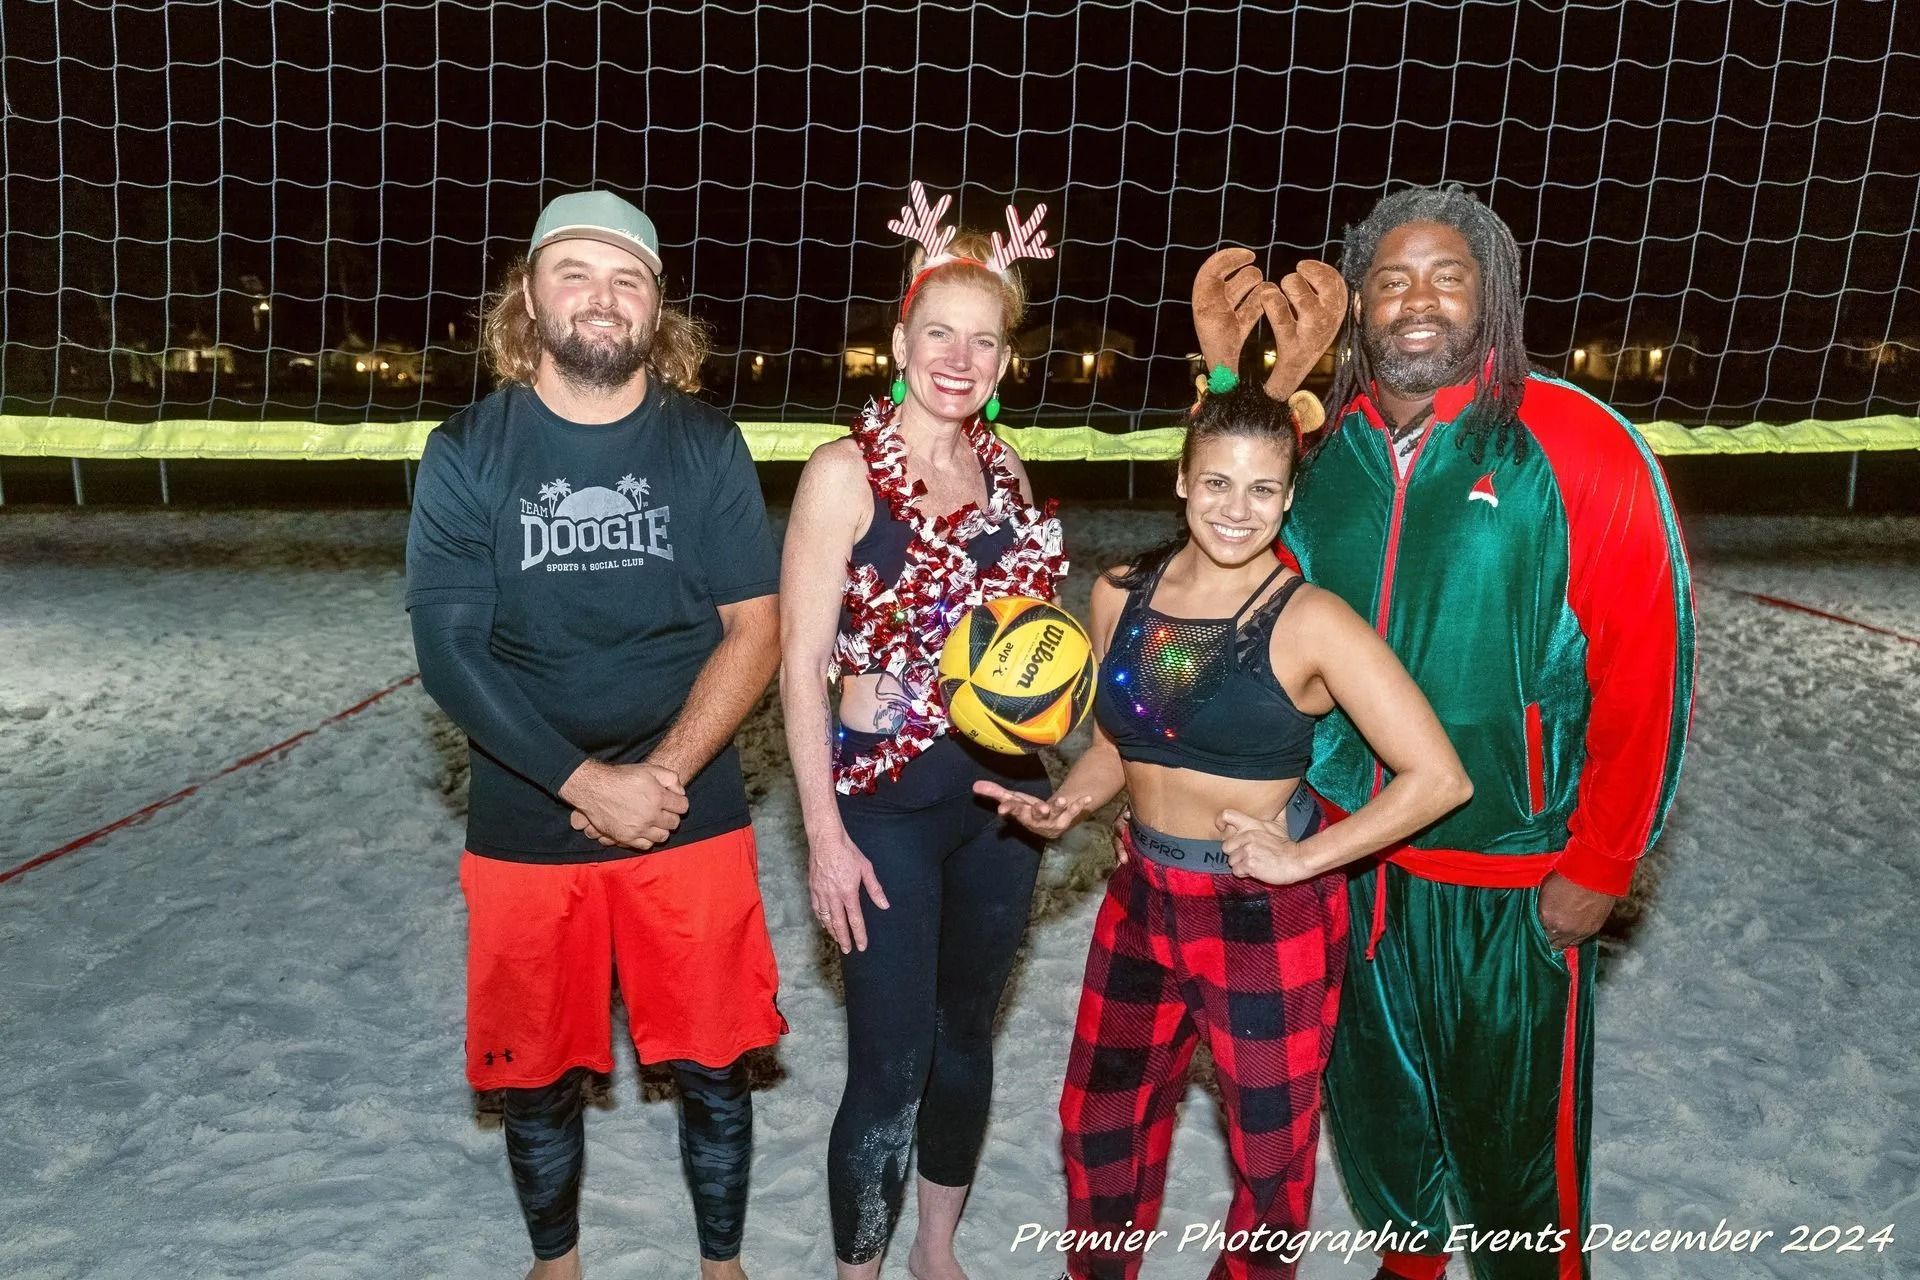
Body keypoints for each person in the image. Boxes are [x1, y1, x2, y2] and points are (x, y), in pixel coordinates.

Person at [1192, 182, 1695, 1280]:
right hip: (1350, 867)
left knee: (1517, 1169)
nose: (1416, 300)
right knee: (1380, 1129)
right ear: (1361, 308)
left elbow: (1649, 675)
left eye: (1446, 275)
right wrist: (1238, 384)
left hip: (1511, 878)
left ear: (1492, 296)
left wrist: (1604, 862)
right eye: (1391, 280)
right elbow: (1230, 585)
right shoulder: (1325, 464)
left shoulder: (1578, 445)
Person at [977, 382, 1473, 1280]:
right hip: (1139, 901)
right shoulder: (1121, 595)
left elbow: (1439, 776)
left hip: (1260, 916)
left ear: (1287, 497)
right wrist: (1071, 803)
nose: (1235, 509)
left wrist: (1305, 857)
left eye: (1260, 490)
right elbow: (1125, 742)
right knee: (1098, 1126)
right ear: (1182, 479)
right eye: (1216, 484)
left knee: (1268, 1162)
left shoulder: (1308, 620)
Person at [406, 189, 785, 1280]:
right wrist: (584, 780)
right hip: (528, 809)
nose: (601, 296)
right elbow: (450, 654)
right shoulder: (467, 450)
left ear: (658, 306)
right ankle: (556, 1262)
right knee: (536, 1071)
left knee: (716, 1064)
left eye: (628, 276)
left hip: (690, 801)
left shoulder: (706, 442)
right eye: (575, 270)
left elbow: (755, 630)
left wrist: (657, 775)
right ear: (530, 294)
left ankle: (724, 1265)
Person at [778, 182, 1066, 1279]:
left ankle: (934, 1252)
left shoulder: (1006, 471)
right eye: (938, 332)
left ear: (1005, 359)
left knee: (966, 1039)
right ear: (899, 338)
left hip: (997, 803)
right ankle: (860, 1268)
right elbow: (801, 665)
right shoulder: (843, 474)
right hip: (884, 808)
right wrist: (824, 831)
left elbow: (1026, 645)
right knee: (888, 1062)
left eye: (983, 340)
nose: (959, 357)